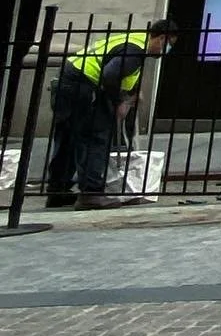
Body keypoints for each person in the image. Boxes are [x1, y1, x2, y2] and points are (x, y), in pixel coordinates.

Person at [46, 18, 177, 210]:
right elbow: (110, 75)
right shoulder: (135, 50)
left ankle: (57, 191)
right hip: (83, 87)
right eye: (169, 44)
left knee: (69, 139)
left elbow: (118, 71)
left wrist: (131, 92)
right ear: (162, 38)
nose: (167, 50)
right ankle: (91, 194)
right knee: (95, 138)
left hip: (68, 83)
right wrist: (121, 100)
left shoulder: (133, 41)